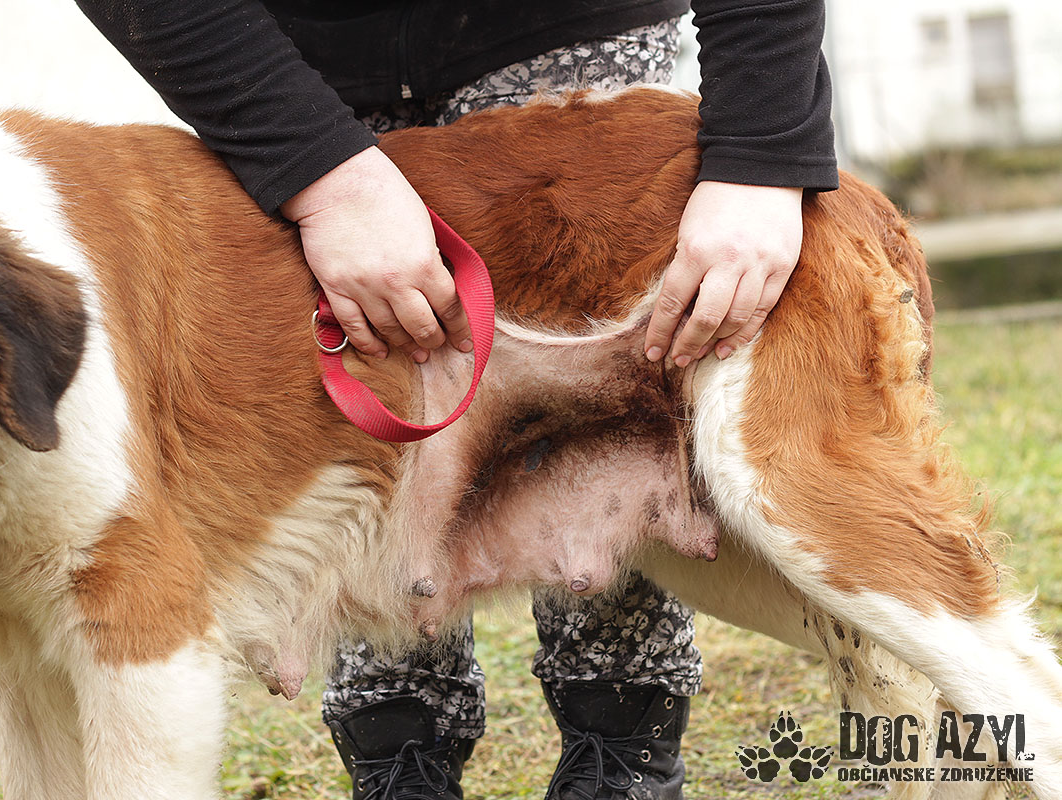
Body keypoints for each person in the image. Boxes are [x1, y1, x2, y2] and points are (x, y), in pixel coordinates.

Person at [75, 1, 838, 797]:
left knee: (618, 378)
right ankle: (397, 749)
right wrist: (316, 169)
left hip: (567, 29)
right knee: (362, 361)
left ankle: (622, 746)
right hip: (298, 60)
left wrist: (761, 153)